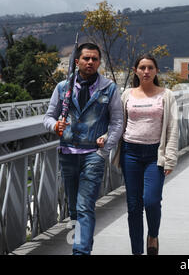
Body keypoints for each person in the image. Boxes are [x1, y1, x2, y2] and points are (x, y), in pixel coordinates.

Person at [43, 42, 123, 255]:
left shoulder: (109, 88)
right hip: (67, 153)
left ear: (99, 62)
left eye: (94, 59)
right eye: (86, 58)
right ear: (77, 61)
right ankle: (82, 245)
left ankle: (80, 252)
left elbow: (117, 122)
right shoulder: (63, 88)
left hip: (92, 155)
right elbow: (48, 117)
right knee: (74, 210)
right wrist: (54, 125)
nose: (90, 62)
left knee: (85, 206)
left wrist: (104, 150)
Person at [109, 54, 179, 255]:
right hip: (130, 153)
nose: (146, 71)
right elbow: (117, 123)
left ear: (156, 71)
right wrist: (106, 137)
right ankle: (137, 251)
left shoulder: (166, 95)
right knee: (133, 207)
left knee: (151, 201)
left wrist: (170, 158)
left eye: (150, 68)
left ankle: (153, 235)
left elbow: (173, 128)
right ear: (136, 71)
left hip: (154, 154)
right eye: (142, 68)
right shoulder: (127, 95)